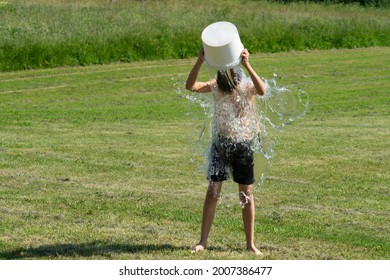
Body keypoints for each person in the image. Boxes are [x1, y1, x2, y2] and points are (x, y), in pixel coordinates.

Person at [185, 47, 266, 256]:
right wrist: (199, 61)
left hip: (243, 145)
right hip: (221, 145)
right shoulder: (215, 86)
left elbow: (263, 90)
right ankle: (203, 241)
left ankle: (250, 244)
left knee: (246, 194)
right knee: (213, 192)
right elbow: (191, 86)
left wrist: (247, 64)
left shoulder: (246, 86)